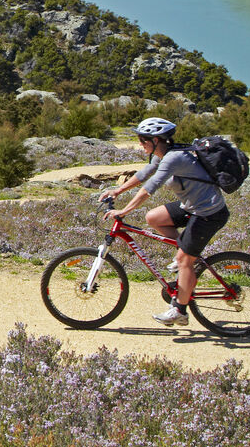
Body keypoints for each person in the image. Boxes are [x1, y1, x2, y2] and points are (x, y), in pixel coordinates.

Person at [99, 117, 230, 327]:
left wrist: (123, 210)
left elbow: (149, 188)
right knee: (154, 218)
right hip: (192, 207)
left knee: (185, 261)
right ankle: (187, 255)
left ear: (157, 140)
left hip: (208, 213)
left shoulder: (174, 158)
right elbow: (144, 174)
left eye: (143, 140)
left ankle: (180, 310)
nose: (140, 144)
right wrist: (117, 190)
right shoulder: (164, 155)